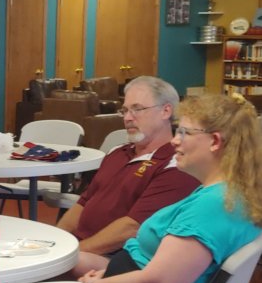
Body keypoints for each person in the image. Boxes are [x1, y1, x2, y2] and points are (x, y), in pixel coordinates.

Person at [77, 93, 262, 283]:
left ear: (215, 141)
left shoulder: (214, 205)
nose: (175, 140)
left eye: (185, 132)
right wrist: (107, 278)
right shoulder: (223, 194)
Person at [57, 76, 198, 263]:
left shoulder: (176, 165)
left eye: (137, 109)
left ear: (166, 111)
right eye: (124, 110)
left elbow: (132, 228)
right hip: (81, 247)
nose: (127, 118)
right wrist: (55, 242)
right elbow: (83, 203)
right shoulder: (117, 152)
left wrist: (68, 254)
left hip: (119, 258)